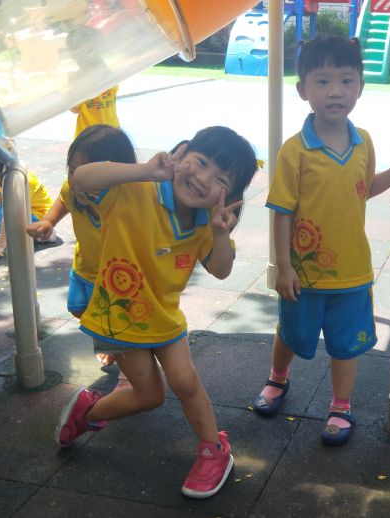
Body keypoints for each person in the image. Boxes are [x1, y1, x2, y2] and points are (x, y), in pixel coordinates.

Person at [55, 126, 259, 499]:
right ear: (181, 153)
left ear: (229, 196)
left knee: (185, 381)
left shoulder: (204, 221)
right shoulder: (136, 190)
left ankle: (214, 449)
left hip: (164, 318)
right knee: (149, 395)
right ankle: (89, 412)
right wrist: (144, 171)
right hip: (121, 320)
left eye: (220, 180)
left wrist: (220, 234)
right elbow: (81, 177)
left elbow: (221, 269)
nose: (203, 179)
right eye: (200, 162)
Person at [251, 36, 390, 447]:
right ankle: (278, 377)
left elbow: (365, 188)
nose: (336, 91)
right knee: (290, 330)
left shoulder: (363, 141)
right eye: (322, 81)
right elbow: (282, 210)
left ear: (360, 86)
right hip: (304, 272)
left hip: (352, 270)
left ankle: (341, 405)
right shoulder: (295, 151)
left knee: (346, 344)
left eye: (346, 80)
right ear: (303, 89)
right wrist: (284, 266)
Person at [26, 124, 136, 368]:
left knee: (114, 322)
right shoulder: (72, 190)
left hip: (116, 279)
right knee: (78, 308)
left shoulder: (127, 200)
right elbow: (63, 201)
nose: (78, 181)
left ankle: (124, 362)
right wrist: (48, 221)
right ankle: (110, 343)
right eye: (73, 171)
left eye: (90, 174)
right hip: (84, 268)